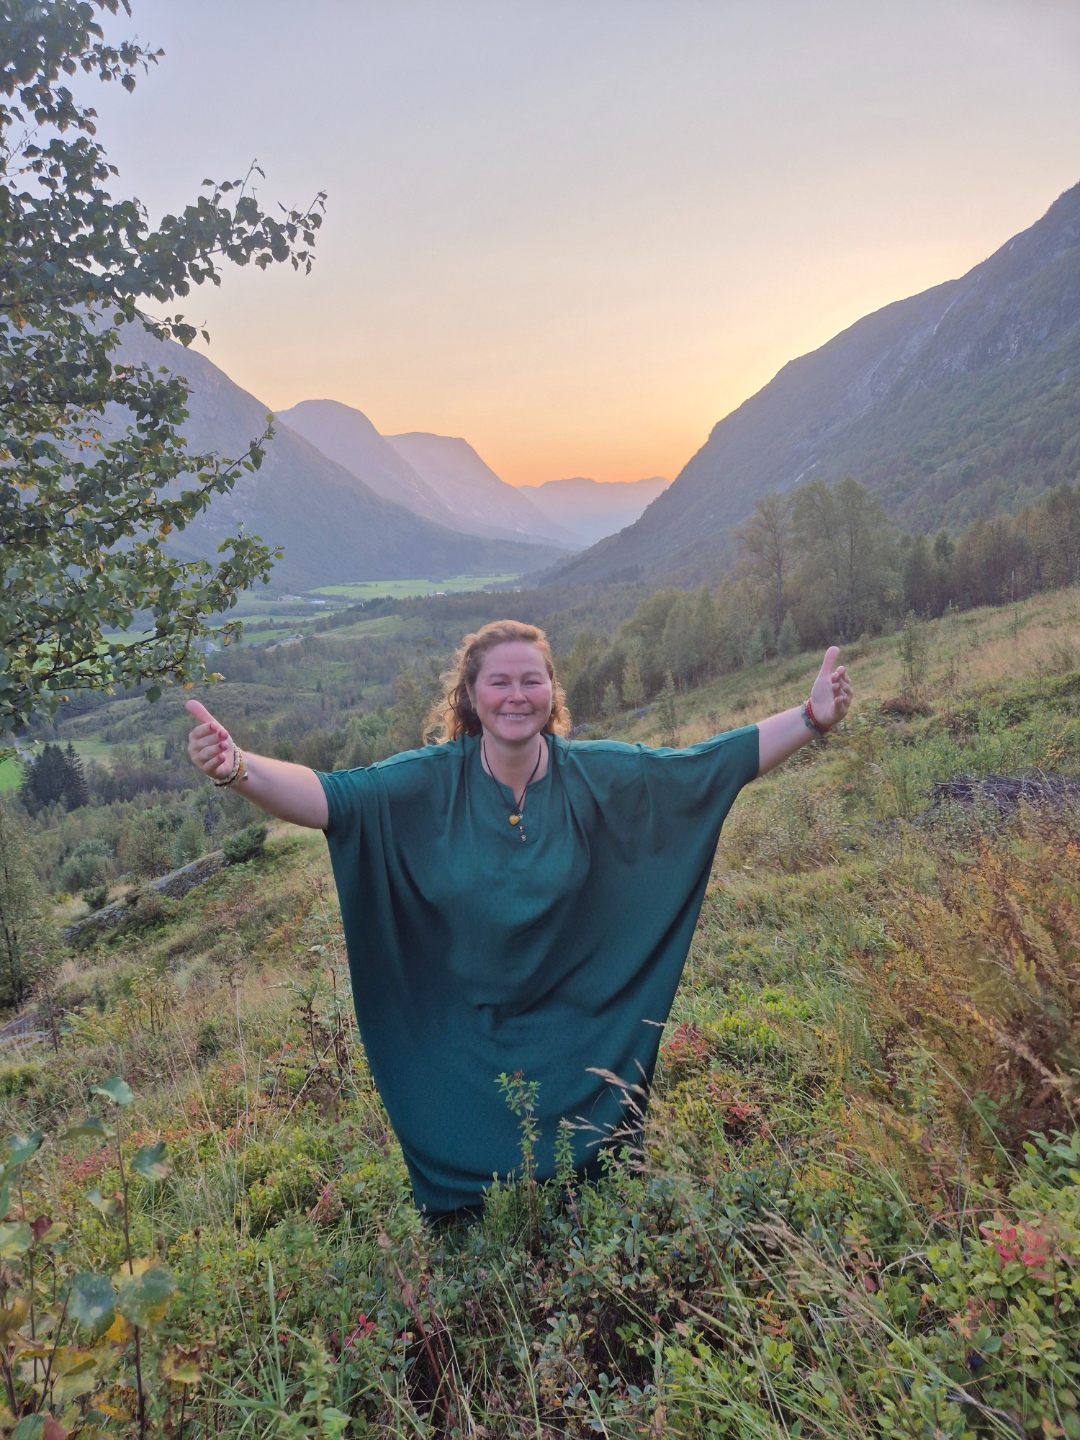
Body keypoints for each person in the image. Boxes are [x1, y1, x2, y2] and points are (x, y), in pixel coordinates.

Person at [187, 619, 852, 1217]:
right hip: (461, 1024)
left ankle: (591, 1195)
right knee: (466, 1177)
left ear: (551, 692)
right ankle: (470, 1213)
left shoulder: (595, 772)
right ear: (471, 696)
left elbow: (702, 769)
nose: (516, 695)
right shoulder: (428, 781)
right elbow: (328, 799)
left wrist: (811, 718)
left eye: (531, 680)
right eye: (499, 682)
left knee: (595, 1176)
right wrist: (236, 767)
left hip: (575, 1022)